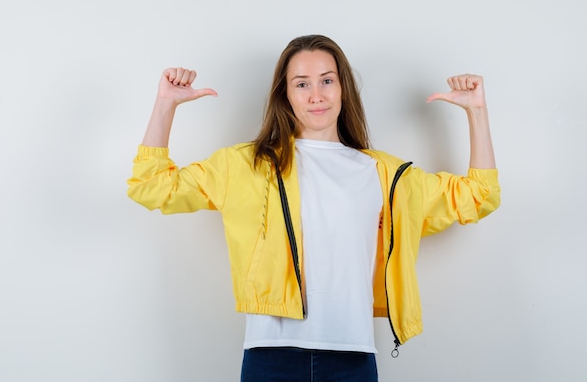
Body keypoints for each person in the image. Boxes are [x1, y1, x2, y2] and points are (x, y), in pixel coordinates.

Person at [127, 34, 500, 382]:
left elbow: (479, 195)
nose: (316, 94)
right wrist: (166, 103)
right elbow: (151, 186)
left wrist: (477, 112)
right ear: (285, 94)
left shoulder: (384, 174)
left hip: (352, 358)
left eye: (327, 80)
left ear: (343, 89)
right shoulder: (247, 165)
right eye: (302, 83)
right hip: (271, 356)